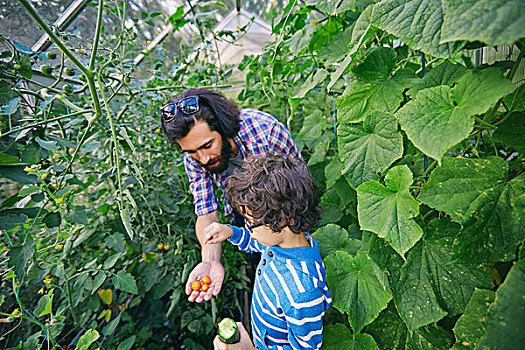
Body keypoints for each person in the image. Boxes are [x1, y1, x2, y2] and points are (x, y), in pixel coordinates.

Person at [160, 89, 302, 303]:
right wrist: (209, 260)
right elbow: (206, 212)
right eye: (191, 152)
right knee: (263, 270)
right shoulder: (195, 156)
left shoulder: (266, 132)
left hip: (288, 212)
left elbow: (300, 192)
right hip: (247, 217)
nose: (203, 158)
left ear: (223, 129)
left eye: (208, 145)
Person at [204, 155, 331, 350]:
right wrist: (230, 232)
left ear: (284, 219)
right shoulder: (281, 244)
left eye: (251, 223)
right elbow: (255, 243)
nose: (248, 228)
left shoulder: (302, 294)